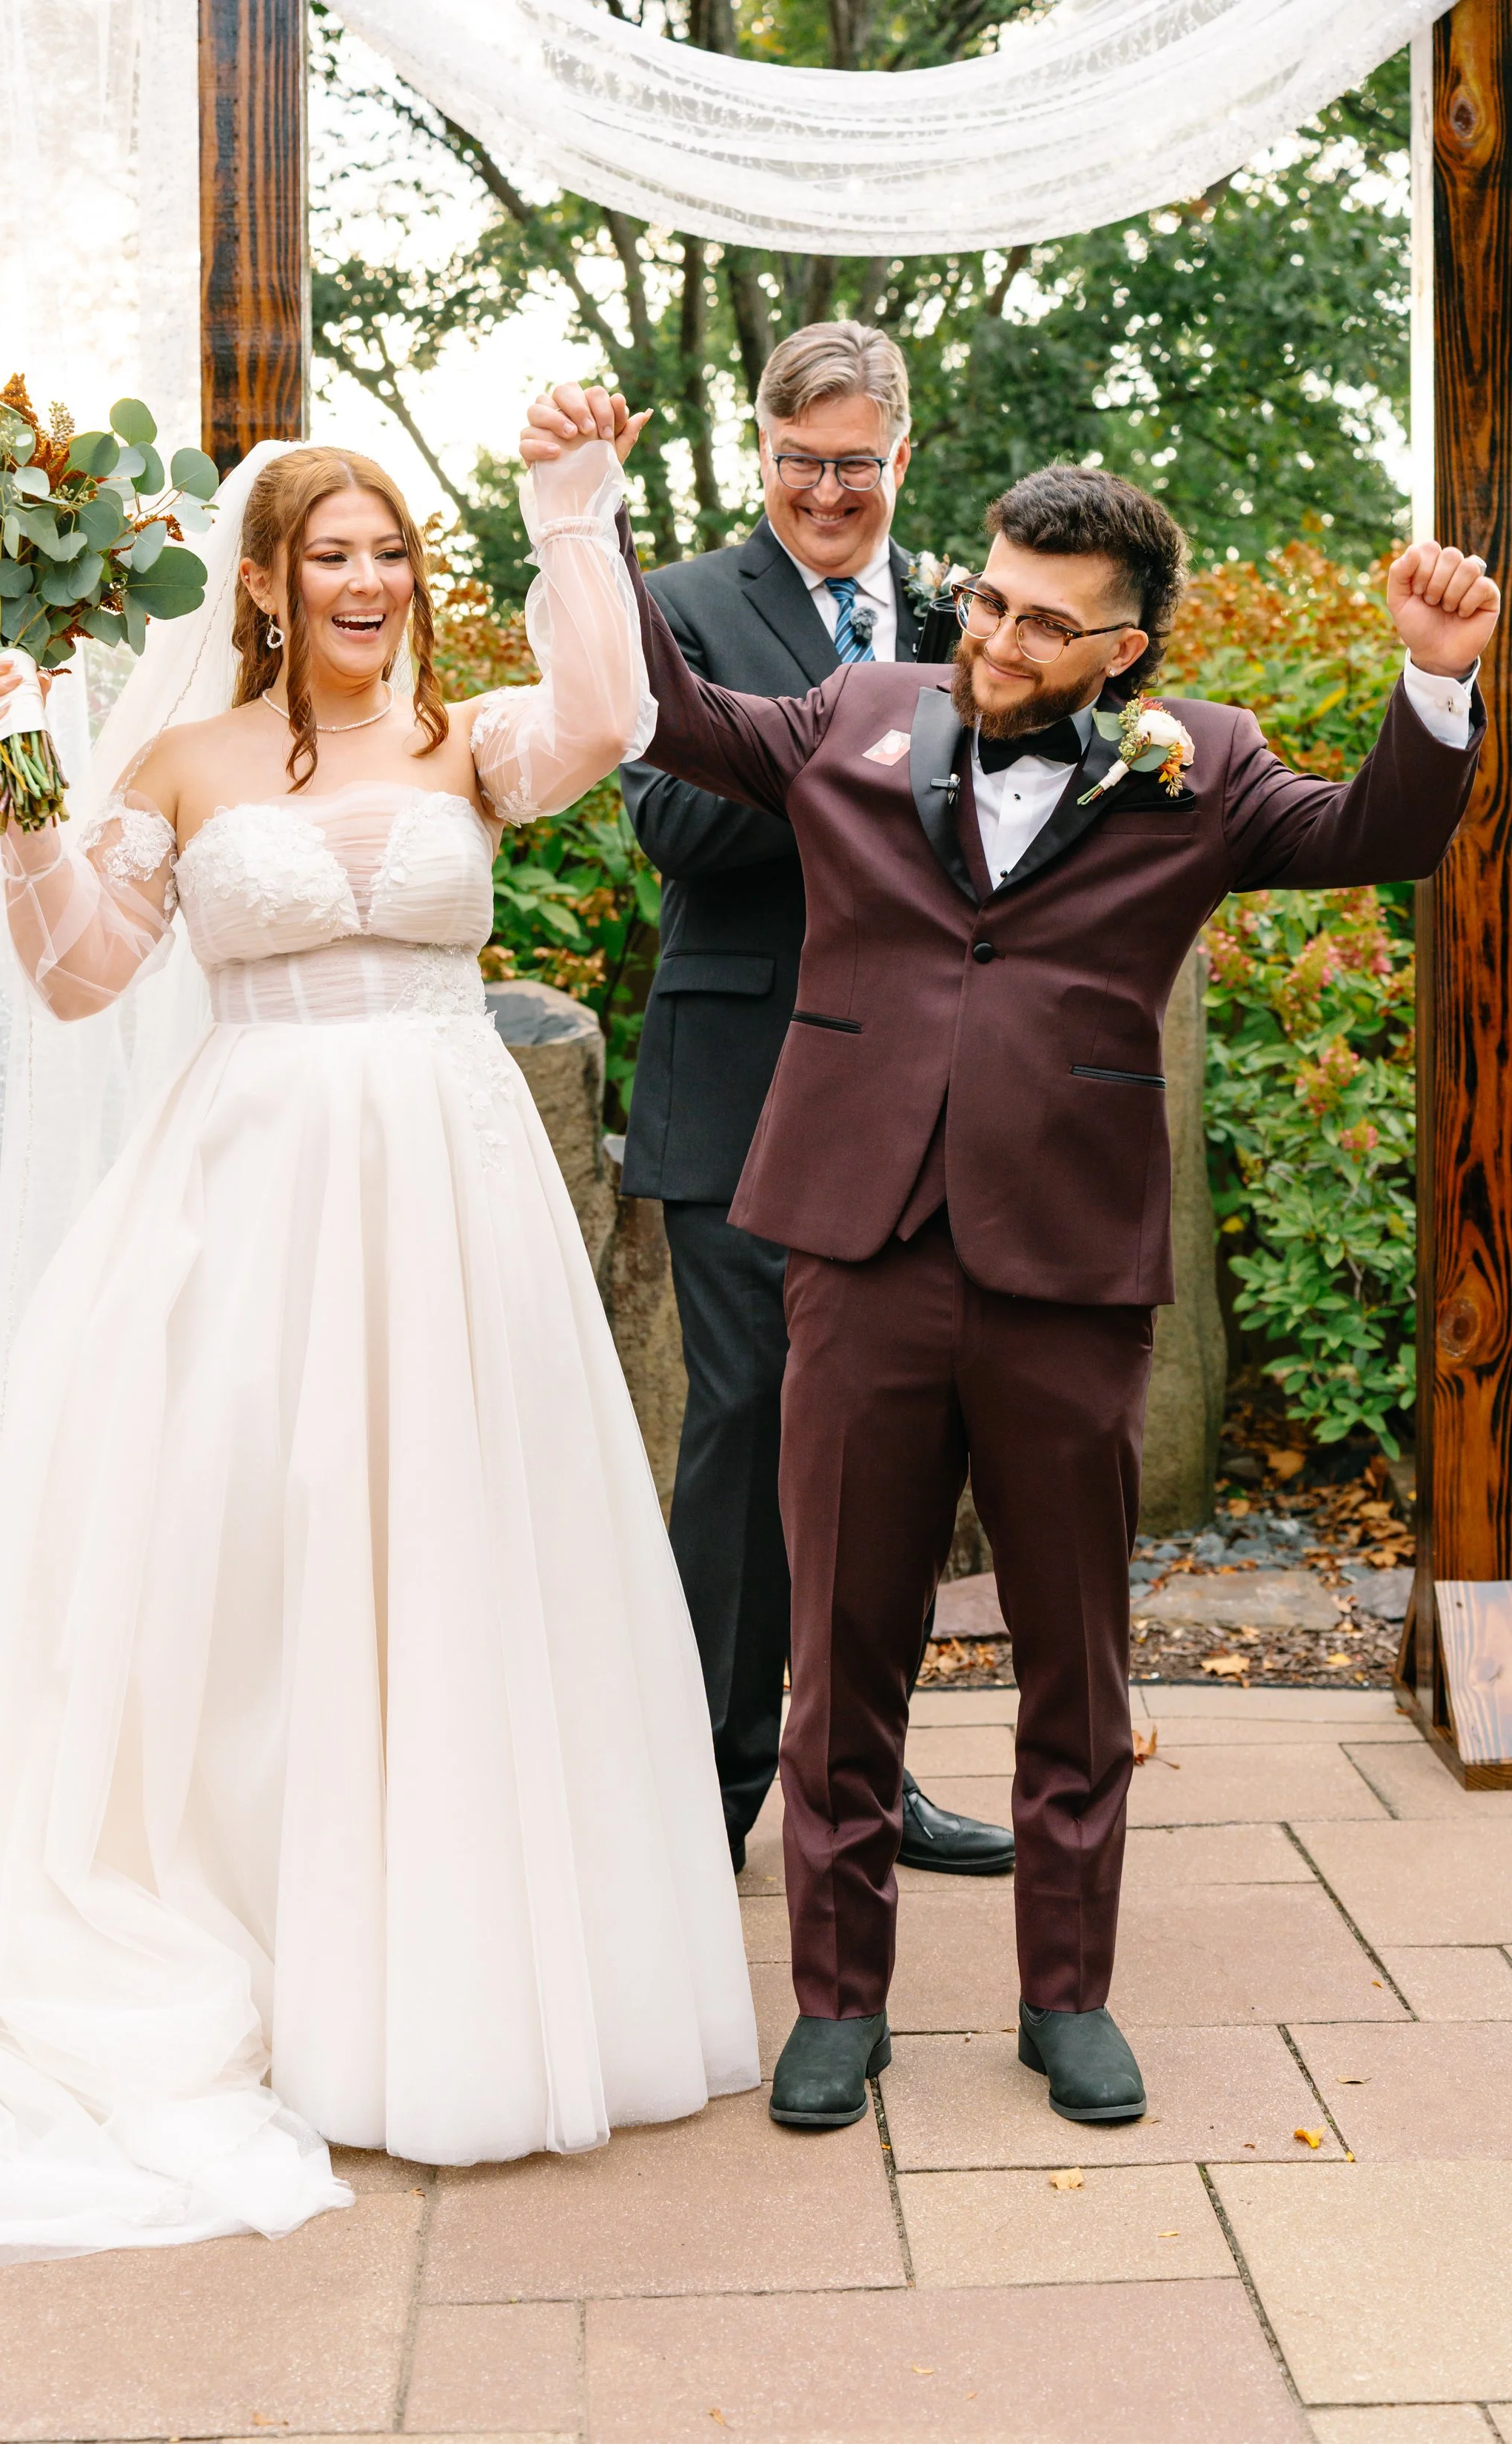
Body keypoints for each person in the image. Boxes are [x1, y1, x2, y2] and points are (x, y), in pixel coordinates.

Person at [525, 385, 1498, 2131]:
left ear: (1123, 654)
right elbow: (663, 715)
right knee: (841, 1643)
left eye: (1045, 625)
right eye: (985, 600)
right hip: (860, 1242)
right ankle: (838, 2000)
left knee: (1075, 1653)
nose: (994, 640)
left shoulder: (1194, 765)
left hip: (1063, 1263)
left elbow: (1379, 839)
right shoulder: (853, 710)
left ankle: (1067, 1997)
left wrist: (1430, 686)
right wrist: (579, 510)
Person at [0, 390, 757, 2277]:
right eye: (326, 557)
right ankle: (267, 1943)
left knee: (458, 1549)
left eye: (384, 553)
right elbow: (79, 970)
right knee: (252, 1568)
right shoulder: (186, 761)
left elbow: (611, 718)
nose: (362, 580)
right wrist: (25, 770)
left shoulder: (468, 743)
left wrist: (571, 504)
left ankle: (451, 1969)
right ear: (266, 588)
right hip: (253, 1195)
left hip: (453, 1203)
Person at [619, 321, 1012, 1882]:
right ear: (757, 459)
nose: (825, 491)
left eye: (853, 463)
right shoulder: (679, 609)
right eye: (797, 465)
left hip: (920, 1093)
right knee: (743, 1422)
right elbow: (671, 821)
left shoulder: (969, 610)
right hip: (738, 1078)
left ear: (896, 458)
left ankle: (864, 1772)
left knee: (889, 1439)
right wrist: (873, 745)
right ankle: (698, 1785)